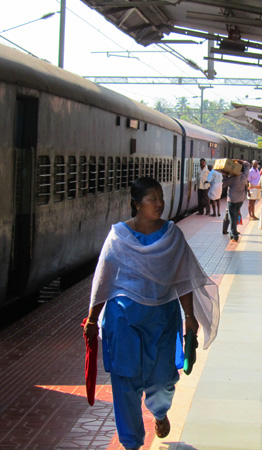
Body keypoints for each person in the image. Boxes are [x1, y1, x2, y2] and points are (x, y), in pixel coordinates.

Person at [83, 177, 220, 450]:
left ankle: (159, 411)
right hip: (123, 320)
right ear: (136, 204)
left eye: (161, 198)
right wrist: (92, 317)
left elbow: (183, 278)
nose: (160, 204)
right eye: (152, 199)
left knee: (162, 381)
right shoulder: (118, 237)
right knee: (125, 383)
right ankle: (131, 443)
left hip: (162, 319)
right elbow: (104, 280)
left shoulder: (171, 235)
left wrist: (190, 316)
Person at [222, 159, 250, 242]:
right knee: (235, 215)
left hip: (232, 200)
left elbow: (224, 184)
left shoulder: (233, 179)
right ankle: (233, 232)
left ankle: (234, 234)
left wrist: (225, 175)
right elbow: (247, 164)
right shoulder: (244, 176)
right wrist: (239, 161)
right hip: (240, 200)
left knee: (232, 217)